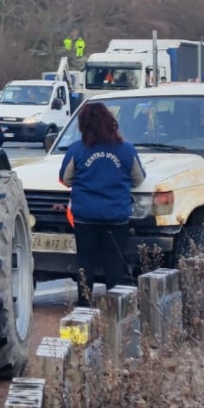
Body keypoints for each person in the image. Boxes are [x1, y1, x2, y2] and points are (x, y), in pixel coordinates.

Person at [59, 101, 146, 302]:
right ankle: (115, 314)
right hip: (117, 218)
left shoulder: (76, 150)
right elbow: (138, 179)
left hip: (85, 217)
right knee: (115, 268)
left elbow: (65, 179)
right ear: (110, 122)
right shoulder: (126, 150)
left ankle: (84, 309)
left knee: (85, 265)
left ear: (83, 125)